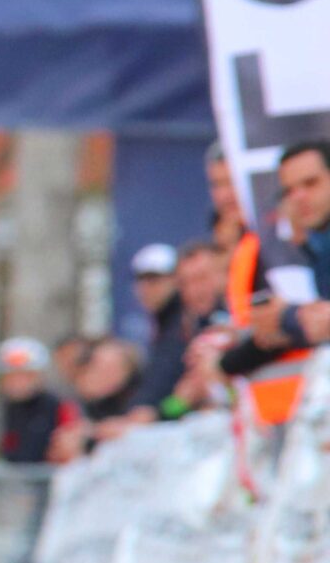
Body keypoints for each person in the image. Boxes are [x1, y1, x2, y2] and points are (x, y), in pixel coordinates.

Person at [221, 138, 330, 409]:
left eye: (311, 183)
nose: (298, 197)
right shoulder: (315, 248)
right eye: (289, 190)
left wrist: (288, 318)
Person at [134, 240, 231, 422]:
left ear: (225, 273)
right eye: (185, 283)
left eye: (202, 278)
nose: (194, 291)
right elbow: (181, 399)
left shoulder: (243, 317)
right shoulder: (188, 329)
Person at [0, 337, 73, 465]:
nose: (16, 383)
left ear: (38, 377)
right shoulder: (4, 408)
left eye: (24, 375)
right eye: (11, 376)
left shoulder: (58, 406)